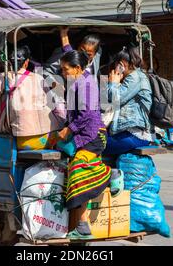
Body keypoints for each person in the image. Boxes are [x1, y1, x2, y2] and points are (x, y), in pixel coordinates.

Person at [56, 50, 121, 240]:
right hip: (83, 136)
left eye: (65, 69)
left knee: (79, 172)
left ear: (77, 68)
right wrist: (64, 37)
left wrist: (68, 130)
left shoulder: (86, 85)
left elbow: (87, 115)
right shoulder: (78, 81)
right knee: (77, 176)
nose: (63, 73)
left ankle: (112, 175)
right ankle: (82, 226)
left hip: (92, 136)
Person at [0, 46, 65, 150]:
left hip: (24, 141)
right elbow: (53, 103)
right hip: (49, 138)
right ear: (26, 62)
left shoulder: (2, 78)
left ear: (8, 62)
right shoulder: (39, 77)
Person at [103, 47, 153, 155]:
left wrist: (113, 83)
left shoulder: (136, 77)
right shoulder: (132, 78)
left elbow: (116, 99)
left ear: (121, 64)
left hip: (133, 135)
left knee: (94, 146)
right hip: (126, 133)